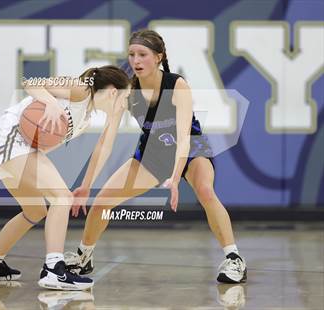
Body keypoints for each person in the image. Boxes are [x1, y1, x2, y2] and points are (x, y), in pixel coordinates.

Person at [66, 29, 247, 284]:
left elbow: (184, 137)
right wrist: (85, 185)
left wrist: (174, 178)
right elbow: (106, 142)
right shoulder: (127, 92)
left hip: (191, 150)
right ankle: (84, 257)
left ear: (159, 57)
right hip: (152, 154)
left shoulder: (177, 84)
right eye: (131, 55)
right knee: (101, 202)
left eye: (142, 54)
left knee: (205, 191)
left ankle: (234, 259)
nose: (136, 61)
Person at [0, 65, 131, 290]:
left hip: (21, 146)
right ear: (114, 91)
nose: (126, 104)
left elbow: (104, 146)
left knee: (35, 211)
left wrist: (86, 185)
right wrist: (52, 103)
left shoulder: (84, 116)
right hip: (9, 137)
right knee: (61, 197)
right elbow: (30, 82)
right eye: (125, 97)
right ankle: (54, 269)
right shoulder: (81, 88)